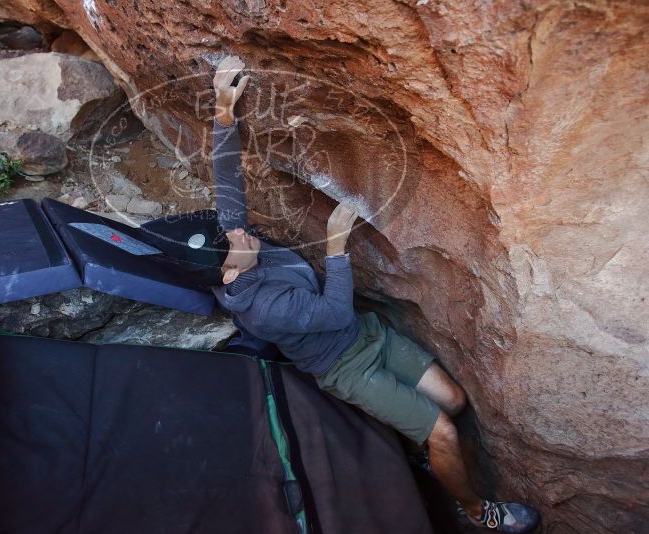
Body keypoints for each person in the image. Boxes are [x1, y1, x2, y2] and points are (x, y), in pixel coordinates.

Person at [206, 55, 540, 533]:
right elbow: (334, 310)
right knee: (443, 431)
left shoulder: (236, 249)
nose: (243, 235)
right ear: (231, 279)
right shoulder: (264, 309)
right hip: (345, 367)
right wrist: (336, 247)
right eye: (237, 247)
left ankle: (429, 456)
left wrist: (222, 106)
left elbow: (227, 180)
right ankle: (478, 514)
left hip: (370, 334)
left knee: (457, 403)